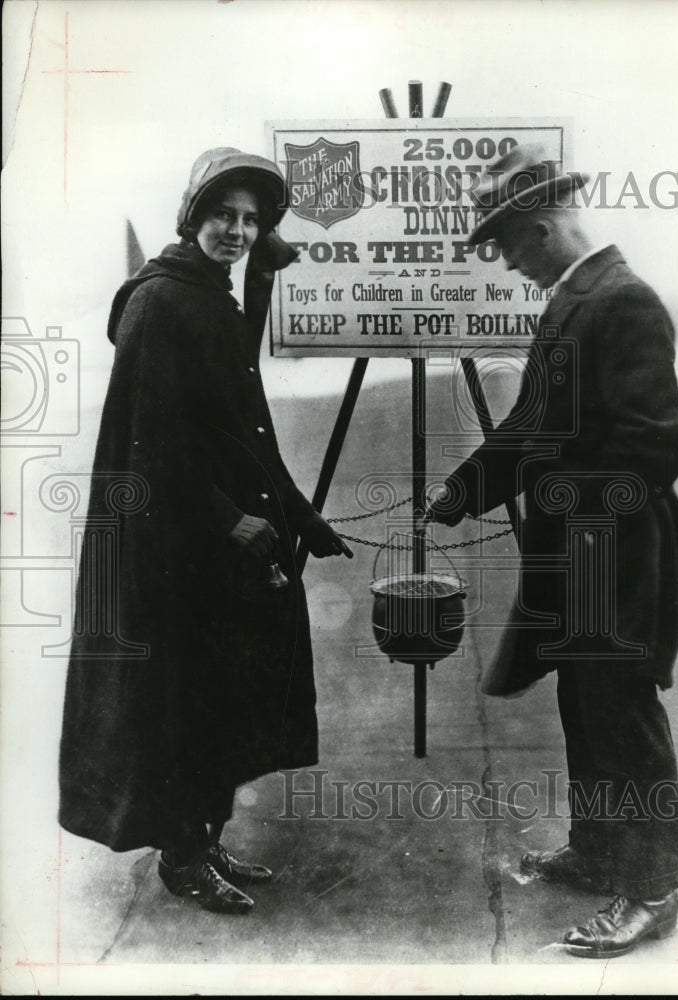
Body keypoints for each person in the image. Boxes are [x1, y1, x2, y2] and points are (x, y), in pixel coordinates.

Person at [59, 147, 350, 915]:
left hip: (212, 544)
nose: (238, 230)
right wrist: (233, 520)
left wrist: (299, 517)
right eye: (224, 214)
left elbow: (236, 434)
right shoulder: (162, 302)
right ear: (194, 216)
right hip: (176, 550)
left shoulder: (209, 294)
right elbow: (155, 447)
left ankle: (205, 836)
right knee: (184, 702)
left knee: (222, 696)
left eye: (252, 221)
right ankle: (182, 858)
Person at [423, 144, 678, 958]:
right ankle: (601, 847)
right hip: (583, 554)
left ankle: (649, 889)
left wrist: (570, 507)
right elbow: (532, 427)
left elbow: (656, 447)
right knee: (585, 704)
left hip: (616, 553)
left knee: (621, 712)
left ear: (541, 227)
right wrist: (460, 493)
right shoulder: (578, 298)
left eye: (506, 246)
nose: (506, 264)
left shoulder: (624, 301)